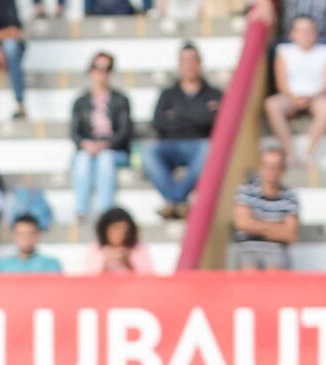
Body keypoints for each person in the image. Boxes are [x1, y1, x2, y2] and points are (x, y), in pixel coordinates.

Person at [142, 42, 216, 221]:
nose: (189, 65)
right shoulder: (168, 94)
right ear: (179, 65)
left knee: (208, 148)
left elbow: (215, 123)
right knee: (148, 152)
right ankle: (179, 200)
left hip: (198, 144)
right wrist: (198, 116)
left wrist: (178, 116)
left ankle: (172, 201)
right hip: (170, 145)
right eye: (185, 61)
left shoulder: (214, 93)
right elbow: (158, 122)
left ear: (200, 63)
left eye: (192, 60)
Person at [265, 14, 326, 171]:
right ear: (292, 34)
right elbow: (281, 82)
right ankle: (290, 153)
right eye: (300, 30)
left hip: (317, 97)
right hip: (290, 96)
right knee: (272, 104)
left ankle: (309, 153)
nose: (305, 34)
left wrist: (310, 98)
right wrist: (294, 97)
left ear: (316, 33)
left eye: (309, 30)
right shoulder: (283, 51)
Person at [66, 51, 131, 227]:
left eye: (106, 68)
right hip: (88, 149)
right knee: (83, 159)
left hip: (113, 150)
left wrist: (106, 144)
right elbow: (74, 133)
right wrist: (85, 144)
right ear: (90, 70)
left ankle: (106, 212)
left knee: (104, 158)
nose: (101, 72)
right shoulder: (80, 101)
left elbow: (124, 132)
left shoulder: (121, 100)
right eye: (97, 67)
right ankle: (80, 210)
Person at [229, 141, 299, 272]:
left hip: (276, 251)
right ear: (261, 167)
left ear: (282, 169)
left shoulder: (290, 196)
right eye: (268, 166)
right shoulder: (246, 189)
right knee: (248, 272)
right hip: (247, 248)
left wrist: (255, 225)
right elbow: (242, 223)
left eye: (275, 167)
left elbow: (290, 234)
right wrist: (276, 227)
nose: (271, 172)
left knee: (274, 273)